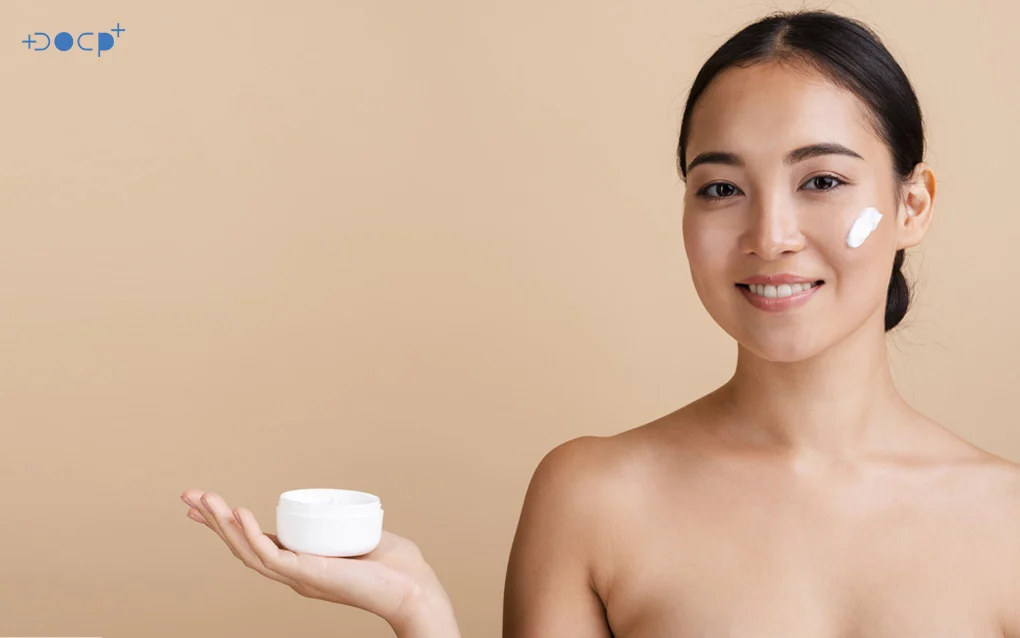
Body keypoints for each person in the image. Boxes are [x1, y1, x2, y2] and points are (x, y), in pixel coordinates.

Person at [180, 9, 1020, 637]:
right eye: (721, 187)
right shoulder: (593, 497)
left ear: (912, 205)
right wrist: (420, 613)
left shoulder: (1006, 520)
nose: (770, 236)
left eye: (823, 181)